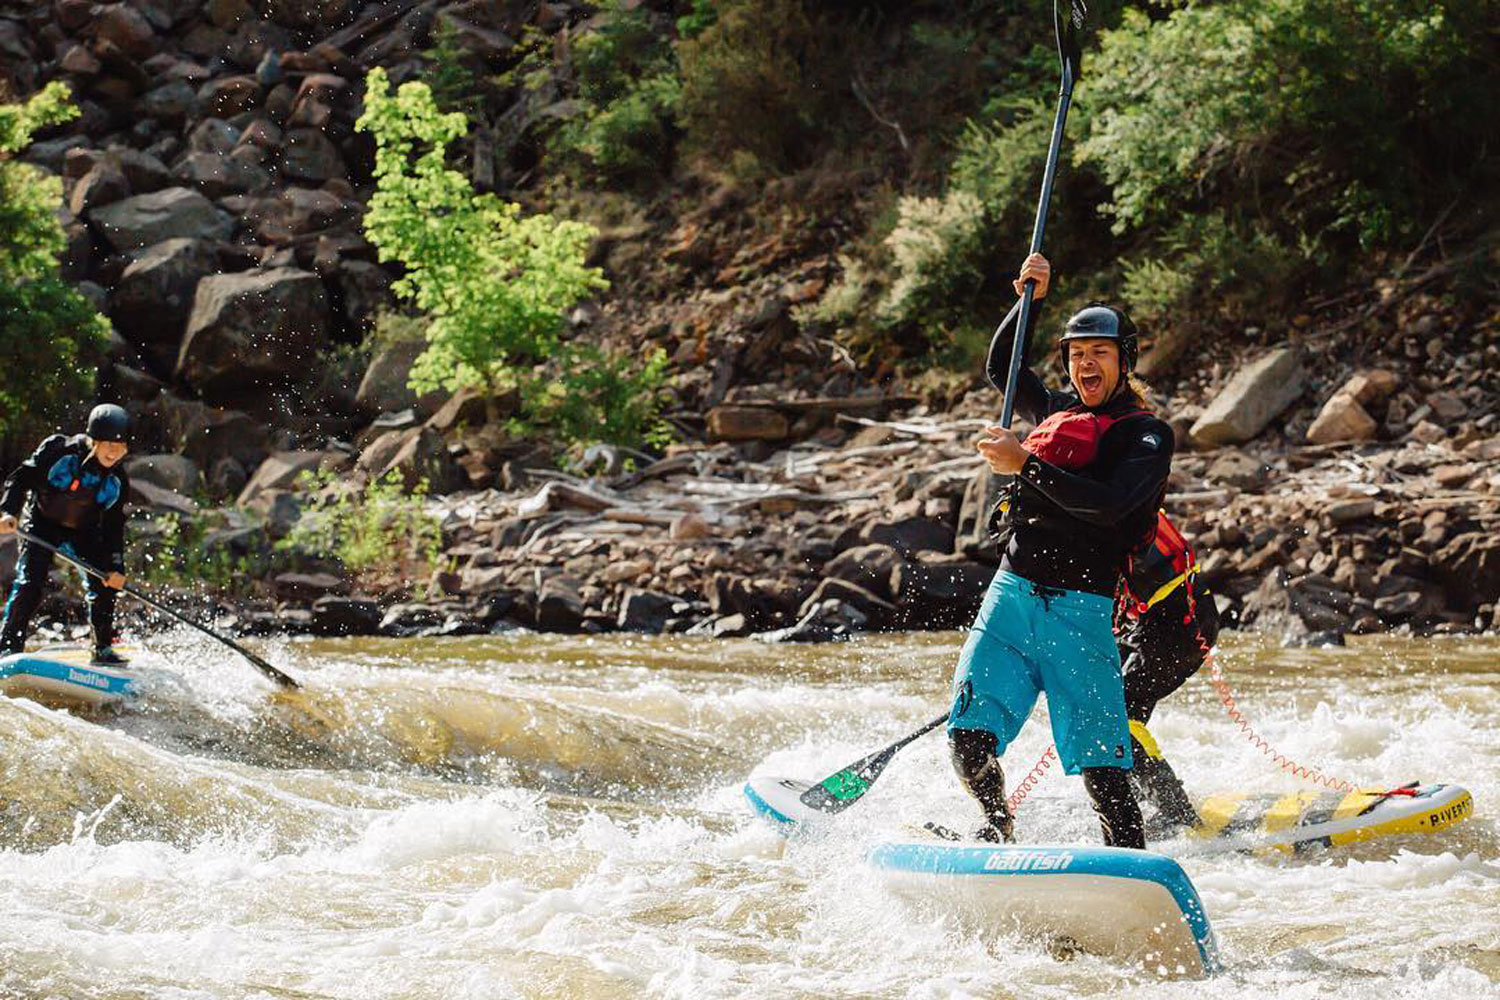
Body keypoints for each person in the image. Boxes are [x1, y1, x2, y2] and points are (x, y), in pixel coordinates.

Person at [951, 252, 1173, 849]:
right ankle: (995, 827)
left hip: (1081, 610)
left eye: (1099, 353)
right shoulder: (1055, 412)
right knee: (967, 738)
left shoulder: (1145, 436)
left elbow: (1109, 505)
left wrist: (1024, 463)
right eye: (1076, 355)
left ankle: (1129, 865)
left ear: (1124, 362)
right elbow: (1002, 364)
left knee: (1103, 770)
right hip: (1012, 596)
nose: (1085, 364)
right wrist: (1029, 299)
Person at [0, 404, 132, 664]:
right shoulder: (59, 450)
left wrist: (117, 566)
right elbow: (21, 479)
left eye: (121, 446)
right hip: (42, 522)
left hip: (85, 531)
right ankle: (7, 648)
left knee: (104, 586)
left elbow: (114, 526)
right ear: (93, 440)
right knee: (31, 582)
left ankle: (102, 649)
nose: (114, 452)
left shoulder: (118, 480)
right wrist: (7, 511)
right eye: (108, 444)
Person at [1116, 510, 1221, 834]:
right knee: (1112, 710)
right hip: (1179, 619)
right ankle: (1143, 797)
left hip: (1177, 628)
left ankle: (1178, 814)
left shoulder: (1100, 508)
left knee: (1117, 718)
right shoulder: (1126, 494)